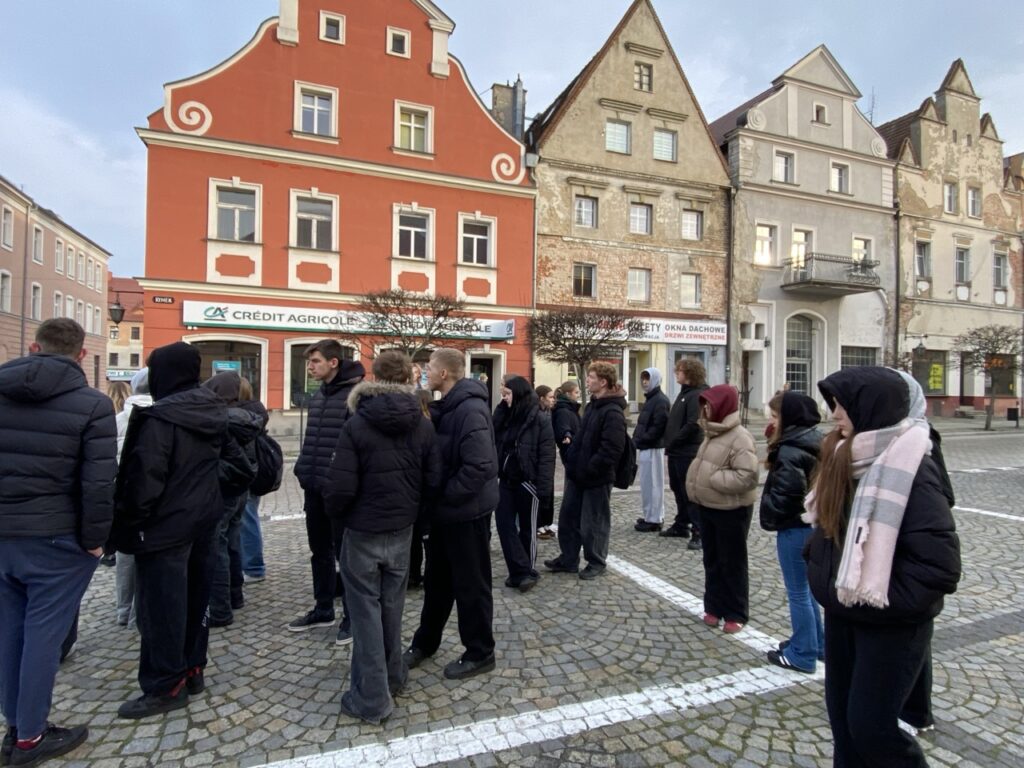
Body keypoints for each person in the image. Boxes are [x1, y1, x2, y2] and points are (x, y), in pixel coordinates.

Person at [804, 367, 960, 766]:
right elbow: (829, 532)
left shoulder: (913, 468)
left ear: (870, 409)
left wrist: (880, 600)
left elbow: (938, 566)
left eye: (842, 406)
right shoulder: (845, 456)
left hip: (888, 624)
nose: (834, 414)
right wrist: (820, 564)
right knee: (844, 725)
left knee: (871, 728)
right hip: (843, 615)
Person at [112, 341, 251, 719]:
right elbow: (239, 469)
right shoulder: (214, 412)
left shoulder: (158, 418)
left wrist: (126, 527)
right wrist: (202, 489)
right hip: (202, 522)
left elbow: (143, 483)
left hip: (164, 529)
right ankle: (192, 669)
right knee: (194, 601)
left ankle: (164, 685)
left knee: (162, 610)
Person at [0, 319, 116, 766]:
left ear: (33, 346)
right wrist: (94, 542)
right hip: (55, 537)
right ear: (82, 354)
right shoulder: (92, 404)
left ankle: (16, 723)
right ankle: (29, 737)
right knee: (44, 637)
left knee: (10, 632)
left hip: (5, 534)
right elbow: (97, 483)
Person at [323, 351, 440, 724]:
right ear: (409, 378)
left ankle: (372, 698)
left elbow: (340, 486)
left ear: (374, 377)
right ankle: (392, 675)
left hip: (363, 529)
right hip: (401, 528)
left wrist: (338, 516)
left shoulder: (357, 423)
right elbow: (432, 481)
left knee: (365, 612)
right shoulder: (423, 423)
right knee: (391, 606)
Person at [404, 348, 499, 680]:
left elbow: (478, 467)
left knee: (471, 585)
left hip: (466, 514)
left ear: (444, 373)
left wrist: (443, 498)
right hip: (447, 514)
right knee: (437, 583)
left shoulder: (471, 409)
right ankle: (425, 642)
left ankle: (480, 651)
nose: (425, 372)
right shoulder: (447, 406)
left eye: (429, 367)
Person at [291, 341, 366, 644]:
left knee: (344, 556)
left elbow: (357, 447)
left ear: (334, 362)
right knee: (318, 552)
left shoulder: (355, 396)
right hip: (314, 486)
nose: (310, 366)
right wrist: (303, 468)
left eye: (316, 361)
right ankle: (324, 608)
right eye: (309, 362)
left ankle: (351, 616)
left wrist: (343, 484)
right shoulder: (320, 395)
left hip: (338, 491)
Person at [758, 391, 823, 673]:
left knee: (797, 592)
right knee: (807, 591)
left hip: (794, 528)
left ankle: (803, 653)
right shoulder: (815, 440)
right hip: (810, 525)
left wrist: (769, 510)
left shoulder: (790, 449)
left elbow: (786, 496)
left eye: (775, 416)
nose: (771, 422)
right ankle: (816, 643)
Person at [685, 384, 758, 634]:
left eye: (709, 404)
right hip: (708, 508)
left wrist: (713, 480)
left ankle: (736, 612)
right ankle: (714, 607)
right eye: (703, 404)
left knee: (733, 562)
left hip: (731, 510)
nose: (705, 409)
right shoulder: (711, 433)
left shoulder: (740, 437)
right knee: (712, 560)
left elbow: (747, 475)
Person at [545, 363, 627, 581]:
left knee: (594, 522)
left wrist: (590, 468)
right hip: (578, 474)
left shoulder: (613, 412)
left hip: (596, 477)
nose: (587, 380)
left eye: (591, 377)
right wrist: (572, 460)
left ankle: (596, 561)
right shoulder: (592, 406)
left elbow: (612, 449)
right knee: (569, 519)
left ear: (603, 382)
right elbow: (581, 438)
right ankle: (569, 559)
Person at [203, 372, 263, 627]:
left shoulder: (220, 420)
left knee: (218, 547)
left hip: (224, 488)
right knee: (232, 543)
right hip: (240, 488)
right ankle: (235, 595)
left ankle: (219, 609)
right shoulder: (246, 418)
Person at [493, 376, 555, 592]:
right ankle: (521, 571)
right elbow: (494, 433)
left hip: (528, 481)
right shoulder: (507, 415)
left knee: (527, 530)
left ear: (518, 394)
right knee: (504, 525)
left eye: (508, 394)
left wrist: (544, 489)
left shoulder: (539, 418)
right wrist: (502, 407)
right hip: (506, 479)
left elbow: (547, 456)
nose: (505, 398)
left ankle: (525, 570)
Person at [114, 368, 154, 627]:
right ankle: (140, 614)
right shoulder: (162, 416)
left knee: (124, 554)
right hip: (151, 494)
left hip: (120, 494)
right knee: (150, 554)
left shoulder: (117, 419)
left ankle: (123, 610)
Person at [661, 358, 708, 548]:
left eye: (679, 371)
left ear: (689, 373)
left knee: (690, 492)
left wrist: (674, 440)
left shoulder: (697, 395)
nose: (676, 374)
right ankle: (682, 524)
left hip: (688, 452)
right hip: (676, 451)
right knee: (678, 488)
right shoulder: (684, 394)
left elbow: (693, 424)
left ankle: (698, 531)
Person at [238, 378, 269, 585]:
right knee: (248, 518)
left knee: (247, 520)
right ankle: (252, 565)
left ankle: (253, 567)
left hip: (245, 473)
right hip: (254, 472)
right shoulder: (256, 411)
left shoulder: (242, 416)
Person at [633, 367, 670, 532]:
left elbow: (658, 426)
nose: (645, 382)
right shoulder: (651, 399)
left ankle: (655, 519)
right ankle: (649, 515)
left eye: (647, 378)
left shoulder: (660, 400)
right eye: (643, 379)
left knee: (654, 483)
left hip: (653, 448)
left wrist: (643, 439)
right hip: (646, 446)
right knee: (647, 484)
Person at [534, 385, 557, 539]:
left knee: (548, 492)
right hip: (539, 460)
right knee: (540, 493)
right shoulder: (537, 415)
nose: (553, 400)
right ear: (541, 398)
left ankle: (544, 523)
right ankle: (537, 525)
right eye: (550, 397)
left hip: (548, 459)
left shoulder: (548, 412)